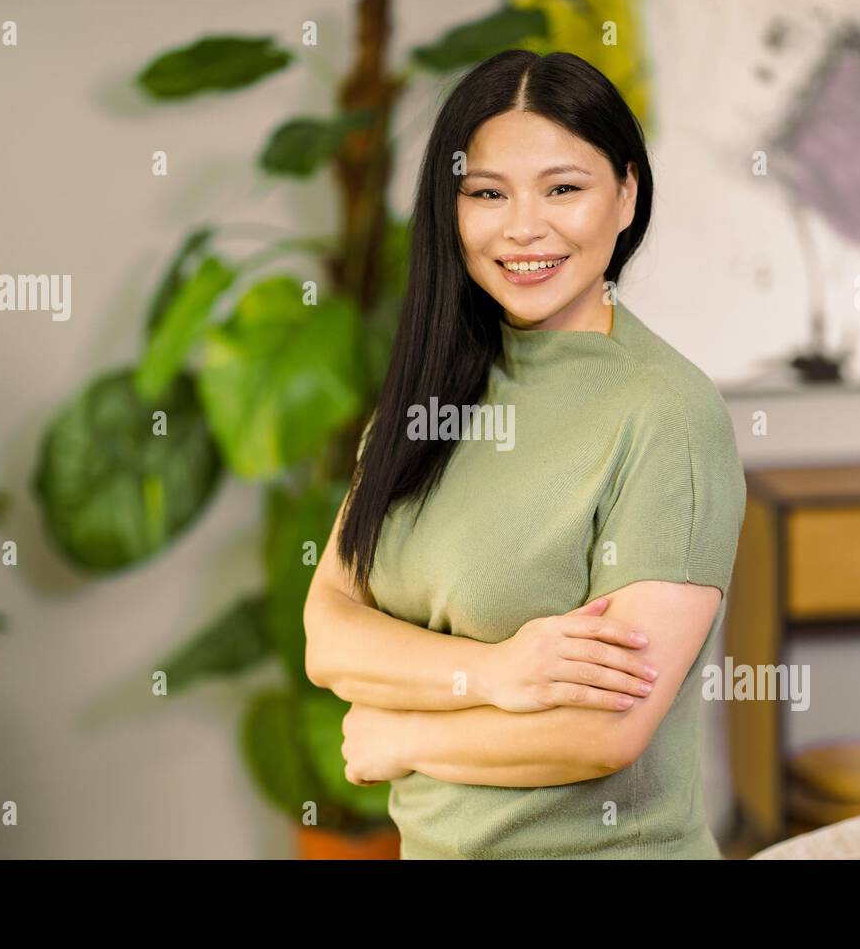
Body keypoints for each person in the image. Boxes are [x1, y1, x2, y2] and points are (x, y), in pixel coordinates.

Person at [303, 49, 746, 859]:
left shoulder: (668, 416)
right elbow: (329, 633)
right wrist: (500, 675)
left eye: (564, 188)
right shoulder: (424, 399)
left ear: (626, 194)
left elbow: (605, 729)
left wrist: (403, 735)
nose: (523, 227)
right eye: (487, 193)